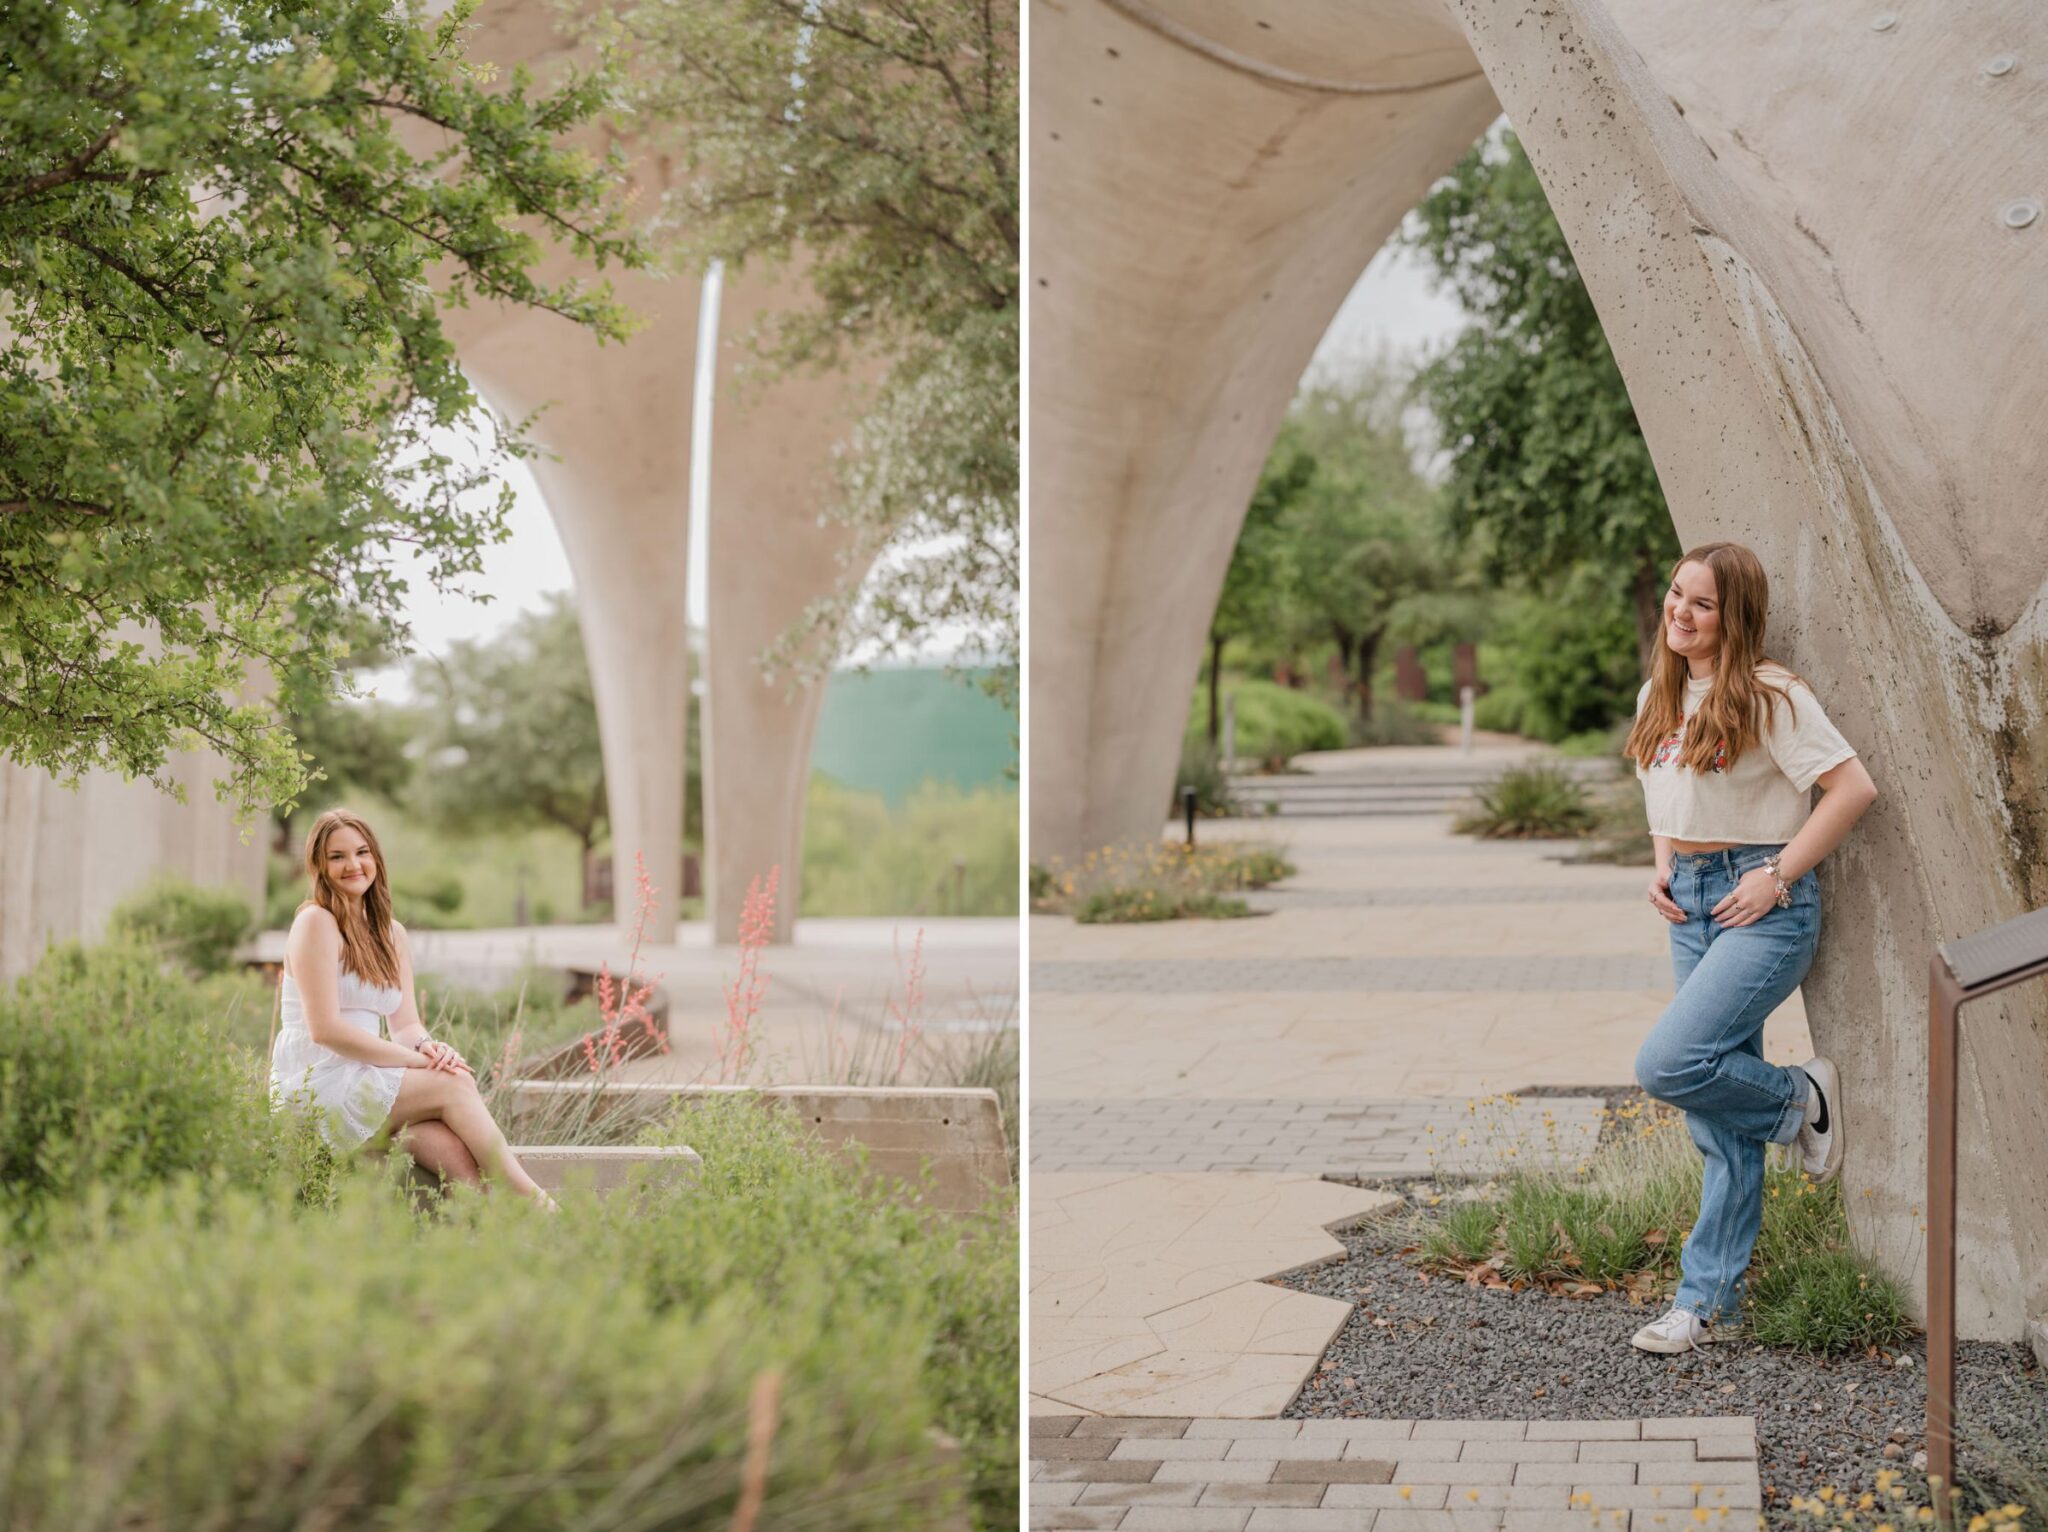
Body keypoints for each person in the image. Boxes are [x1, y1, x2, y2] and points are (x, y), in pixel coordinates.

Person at [1622, 542, 1878, 1354]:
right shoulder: (1660, 693)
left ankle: (1800, 1099)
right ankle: (1706, 1303)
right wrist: (1663, 865)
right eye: (1675, 595)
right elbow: (1666, 796)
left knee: (1669, 1063)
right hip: (1691, 903)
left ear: (1735, 616)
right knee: (1715, 1127)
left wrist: (1775, 874)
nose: (1680, 613)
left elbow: (1853, 790)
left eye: (1702, 604)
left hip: (1763, 906)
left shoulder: (1772, 694)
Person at [270, 807, 553, 1207]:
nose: (353, 864)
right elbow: (325, 1031)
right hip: (317, 1084)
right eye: (337, 856)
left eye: (362, 852)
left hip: (364, 1078)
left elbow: (406, 1024)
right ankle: (537, 1202)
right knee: (454, 1084)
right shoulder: (315, 923)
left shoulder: (390, 933)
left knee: (444, 1142)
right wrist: (413, 1063)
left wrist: (428, 1049)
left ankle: (495, 1228)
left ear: (376, 859)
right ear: (319, 865)